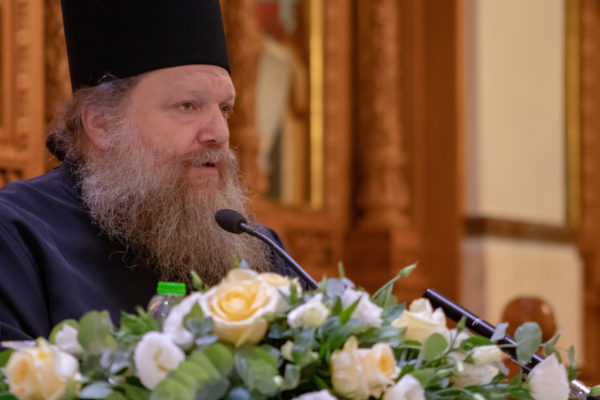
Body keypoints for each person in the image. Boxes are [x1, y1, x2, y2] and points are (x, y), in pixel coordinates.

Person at [0, 0, 305, 342]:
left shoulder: (260, 248)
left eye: (224, 109)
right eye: (187, 106)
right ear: (101, 123)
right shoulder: (16, 238)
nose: (220, 133)